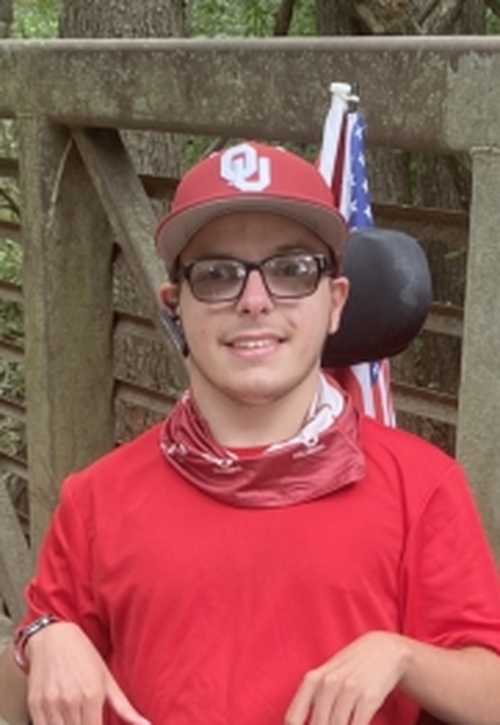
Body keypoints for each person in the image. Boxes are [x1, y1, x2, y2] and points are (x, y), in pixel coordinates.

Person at [1, 140, 500, 725]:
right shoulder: (98, 497)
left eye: (292, 270)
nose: (255, 301)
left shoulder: (421, 487)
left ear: (336, 302)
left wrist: (403, 656)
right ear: (175, 306)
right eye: (217, 275)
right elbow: (15, 700)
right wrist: (42, 637)